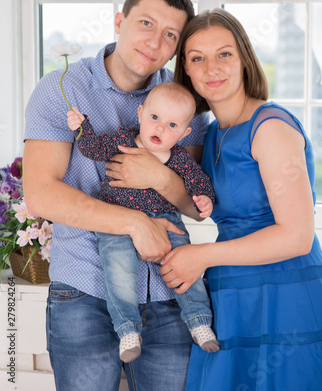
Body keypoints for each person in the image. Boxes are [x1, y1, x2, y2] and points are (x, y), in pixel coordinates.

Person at [23, 0, 211, 391]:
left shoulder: (184, 104)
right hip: (83, 291)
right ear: (119, 21)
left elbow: (196, 204)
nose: (154, 40)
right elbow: (40, 193)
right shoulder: (64, 90)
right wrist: (133, 223)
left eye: (170, 35)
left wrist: (161, 177)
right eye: (146, 23)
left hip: (167, 293)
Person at [160, 8, 322, 390]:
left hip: (284, 296)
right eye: (198, 58)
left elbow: (297, 236)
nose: (211, 68)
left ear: (245, 59)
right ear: (185, 69)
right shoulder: (213, 133)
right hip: (232, 293)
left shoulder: (270, 127)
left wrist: (200, 256)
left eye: (224, 54)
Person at [67, 82, 220, 363]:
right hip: (117, 220)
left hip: (167, 220)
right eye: (154, 118)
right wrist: (81, 127)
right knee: (120, 271)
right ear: (140, 114)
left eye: (172, 125)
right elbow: (91, 148)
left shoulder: (181, 160)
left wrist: (204, 199)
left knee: (183, 265)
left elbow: (199, 186)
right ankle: (128, 329)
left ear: (185, 133)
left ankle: (199, 320)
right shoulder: (122, 141)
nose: (160, 129)